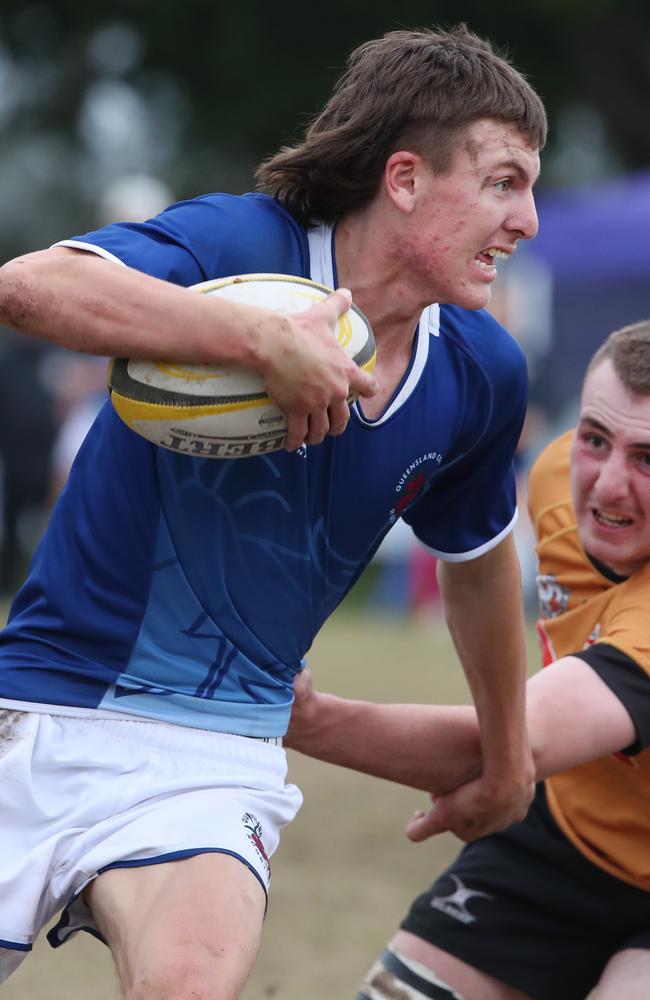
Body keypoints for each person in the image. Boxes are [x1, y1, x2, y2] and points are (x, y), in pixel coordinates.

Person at [0, 25, 545, 1000]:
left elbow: (473, 565)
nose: (529, 220)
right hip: (39, 705)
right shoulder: (246, 245)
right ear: (406, 178)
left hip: (214, 753)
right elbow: (31, 287)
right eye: (503, 182)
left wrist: (504, 760)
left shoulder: (479, 372)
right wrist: (252, 337)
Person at [285, 320, 650, 1000]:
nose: (607, 487)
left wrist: (297, 714)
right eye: (597, 440)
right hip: (568, 839)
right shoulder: (552, 478)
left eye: (649, 460)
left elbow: (505, 748)